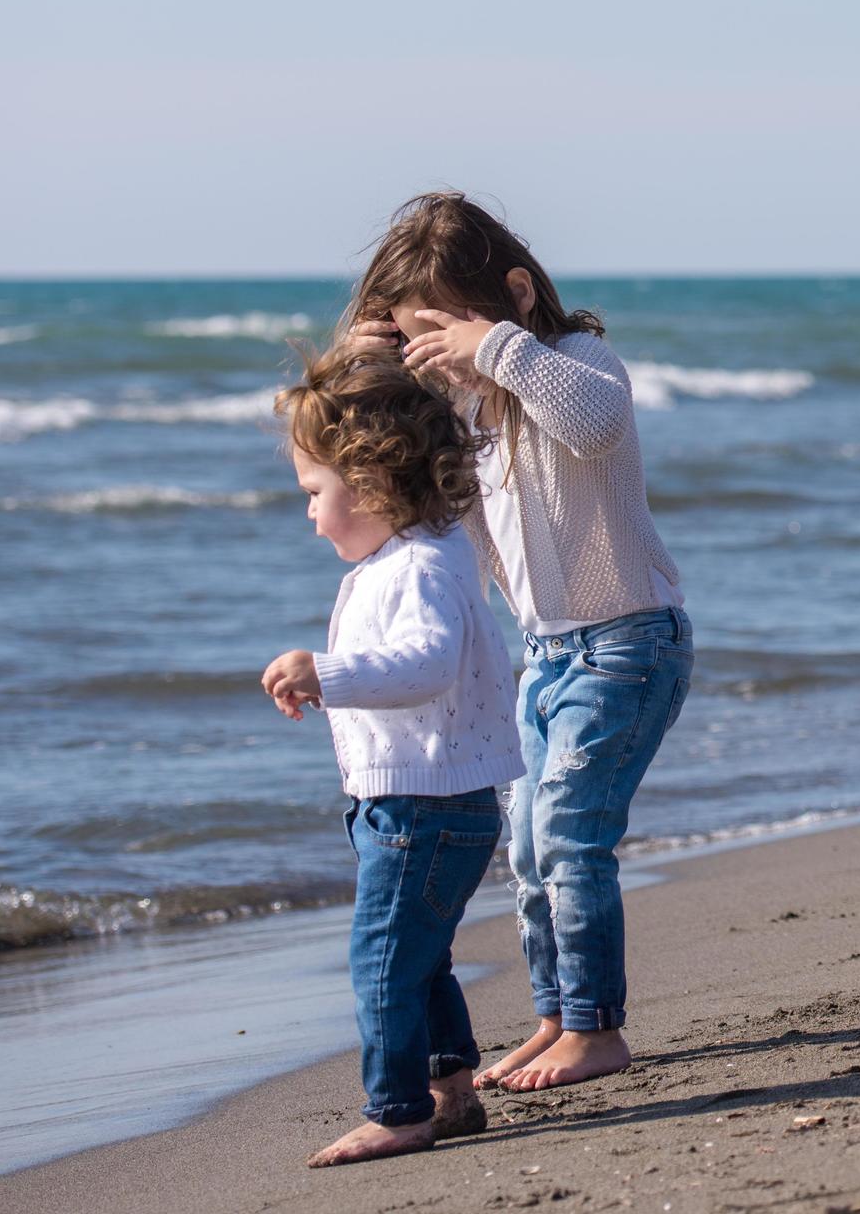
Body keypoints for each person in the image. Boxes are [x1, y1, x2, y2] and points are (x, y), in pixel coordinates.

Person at [344, 193, 692, 1093]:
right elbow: (432, 506)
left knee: (573, 838)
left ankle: (597, 1028)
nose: (443, 353)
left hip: (628, 643)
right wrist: (379, 374)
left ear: (517, 293)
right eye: (420, 337)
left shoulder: (577, 359)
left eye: (446, 329)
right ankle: (556, 1016)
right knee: (532, 851)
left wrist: (494, 348)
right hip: (546, 659)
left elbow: (595, 424)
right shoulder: (474, 419)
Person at [260, 348, 523, 1168]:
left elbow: (427, 664)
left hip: (424, 809)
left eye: (314, 493)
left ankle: (397, 1109)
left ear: (372, 482)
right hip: (419, 803)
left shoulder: (419, 566)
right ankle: (448, 1089)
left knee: (381, 959)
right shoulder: (411, 556)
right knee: (419, 957)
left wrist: (325, 673)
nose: (307, 513)